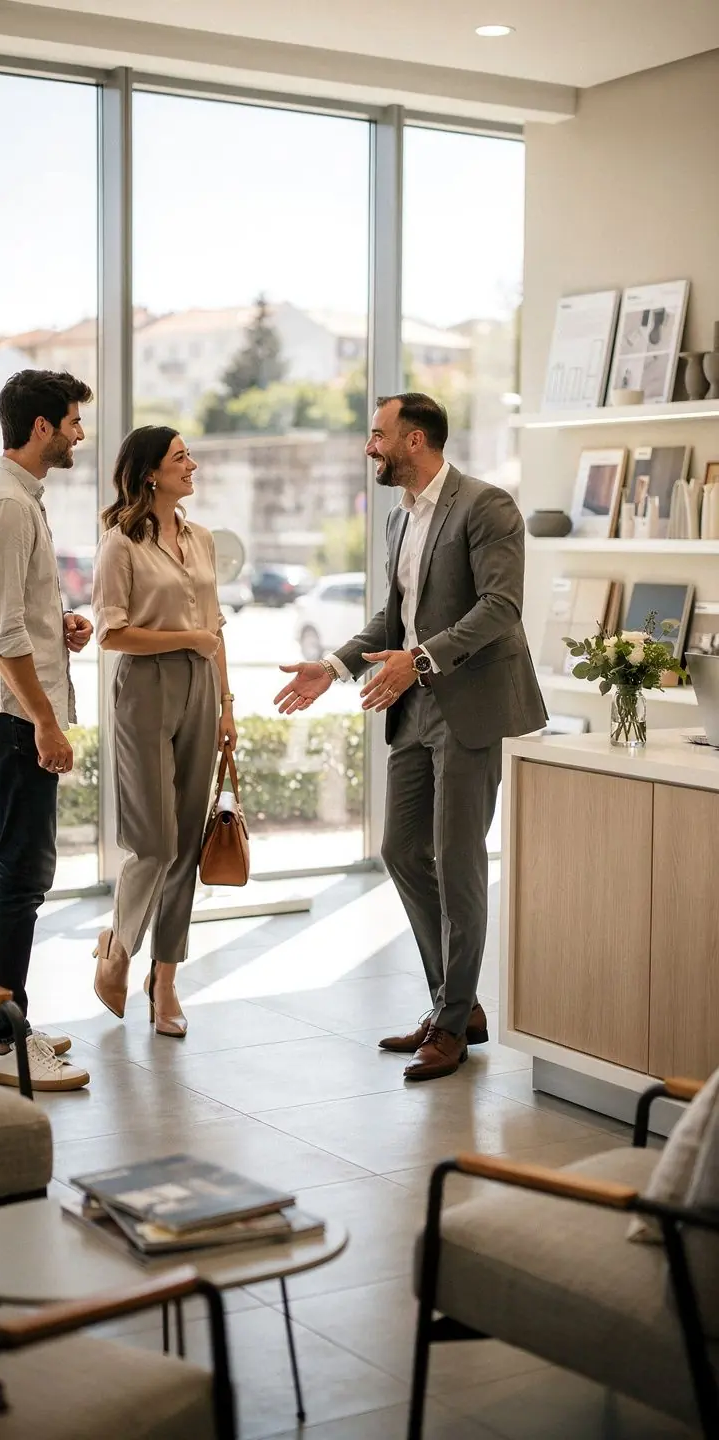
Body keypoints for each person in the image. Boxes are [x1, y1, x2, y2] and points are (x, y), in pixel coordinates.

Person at [275, 393, 547, 1082]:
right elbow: (393, 618)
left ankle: (452, 1024)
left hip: (471, 707)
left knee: (458, 865)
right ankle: (455, 1005)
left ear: (416, 440)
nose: (371, 447)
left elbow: (501, 608)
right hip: (413, 710)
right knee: (402, 849)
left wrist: (419, 661)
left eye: (378, 435)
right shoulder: (400, 520)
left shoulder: (486, 506)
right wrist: (332, 666)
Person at [0, 369, 95, 1092]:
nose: (78, 434)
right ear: (41, 427)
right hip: (13, 719)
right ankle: (10, 1041)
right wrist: (46, 720)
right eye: (71, 422)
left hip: (5, 710)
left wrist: (55, 625)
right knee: (24, 878)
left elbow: (12, 619)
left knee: (0, 871)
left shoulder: (10, 499)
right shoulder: (5, 505)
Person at [91, 426, 236, 1036]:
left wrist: (227, 705)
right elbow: (110, 632)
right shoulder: (120, 544)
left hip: (202, 687)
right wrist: (186, 638)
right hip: (145, 688)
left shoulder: (200, 539)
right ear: (151, 471)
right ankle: (119, 950)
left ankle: (166, 982)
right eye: (181, 458)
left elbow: (216, 628)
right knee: (155, 841)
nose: (192, 464)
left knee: (186, 841)